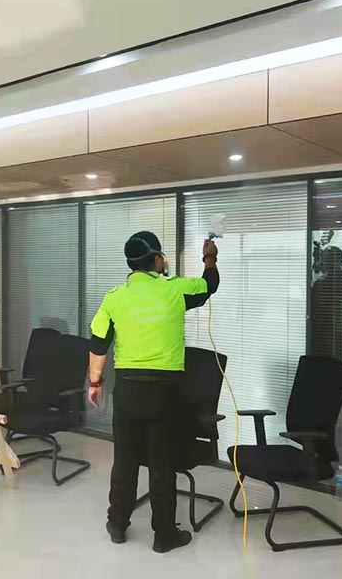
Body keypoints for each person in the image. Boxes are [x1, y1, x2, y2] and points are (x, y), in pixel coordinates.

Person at [88, 231, 219, 553]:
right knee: (162, 463)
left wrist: (95, 382)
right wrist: (210, 257)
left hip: (128, 390)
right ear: (157, 259)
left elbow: (99, 344)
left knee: (125, 460)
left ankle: (117, 524)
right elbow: (209, 285)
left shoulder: (114, 297)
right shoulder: (174, 289)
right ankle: (164, 535)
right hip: (165, 392)